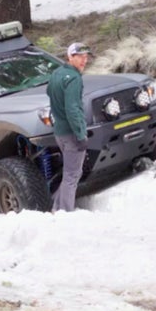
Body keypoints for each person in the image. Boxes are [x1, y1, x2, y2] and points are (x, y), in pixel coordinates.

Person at [46, 42, 91, 211]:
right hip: (71, 134)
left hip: (59, 133)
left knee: (70, 173)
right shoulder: (74, 79)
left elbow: (49, 93)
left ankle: (57, 208)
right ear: (70, 57)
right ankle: (66, 212)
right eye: (79, 57)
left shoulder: (57, 74)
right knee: (72, 175)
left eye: (86, 57)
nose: (84, 61)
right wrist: (80, 135)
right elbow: (73, 109)